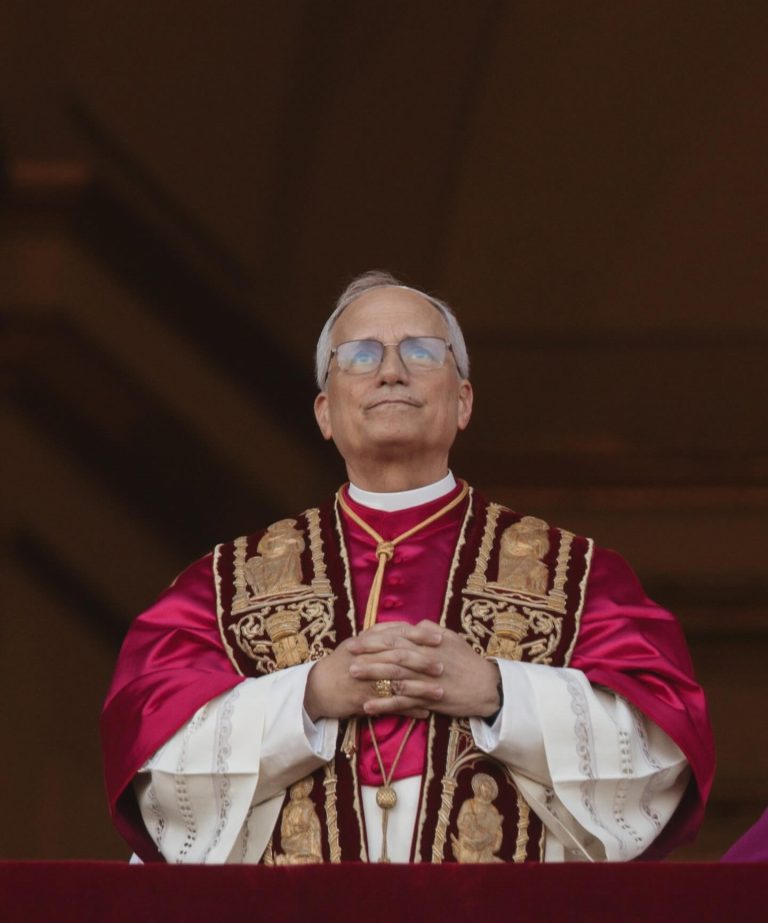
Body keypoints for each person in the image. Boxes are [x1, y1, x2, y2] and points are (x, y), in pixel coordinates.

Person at [101, 270, 714, 865]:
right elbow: (152, 761)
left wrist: (500, 692)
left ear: (463, 401)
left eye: (421, 351)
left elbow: (661, 750)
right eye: (360, 356)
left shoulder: (575, 576)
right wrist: (308, 697)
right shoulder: (224, 586)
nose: (391, 371)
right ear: (324, 413)